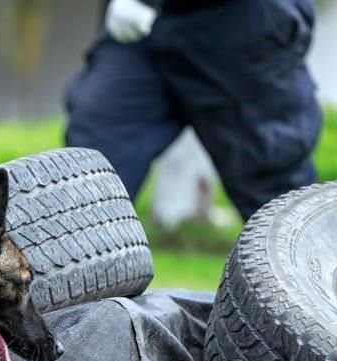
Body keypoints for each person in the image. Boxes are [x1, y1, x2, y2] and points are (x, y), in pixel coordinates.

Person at [64, 0, 322, 221]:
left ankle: (320, 274)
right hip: (142, 28)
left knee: (275, 184)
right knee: (91, 167)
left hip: (240, 23)